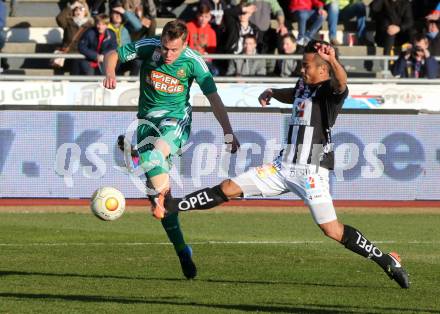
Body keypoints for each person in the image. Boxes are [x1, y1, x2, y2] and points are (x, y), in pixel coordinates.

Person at [162, 40, 410, 289]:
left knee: (332, 230)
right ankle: (174, 205)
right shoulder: (303, 85)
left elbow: (342, 83)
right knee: (228, 187)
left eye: (306, 66)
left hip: (311, 170)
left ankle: (386, 260)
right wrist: (272, 92)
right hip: (282, 166)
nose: (302, 70)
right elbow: (292, 95)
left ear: (323, 70)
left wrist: (334, 60)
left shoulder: (330, 92)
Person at [103, 20, 240, 279]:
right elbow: (113, 54)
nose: (168, 54)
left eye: (174, 50)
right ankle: (182, 251)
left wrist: (228, 130)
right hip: (145, 123)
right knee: (163, 207)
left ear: (185, 44)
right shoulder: (149, 47)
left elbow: (214, 98)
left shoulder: (193, 62)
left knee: (153, 156)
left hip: (175, 121)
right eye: (165, 48)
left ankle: (136, 157)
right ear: (161, 41)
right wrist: (110, 72)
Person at [56, 0, 94, 74]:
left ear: (86, 11)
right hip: (69, 54)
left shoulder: (91, 25)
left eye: (81, 9)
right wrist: (71, 6)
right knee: (76, 62)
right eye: (76, 9)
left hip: (85, 54)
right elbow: (59, 19)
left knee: (84, 64)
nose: (78, 11)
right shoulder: (68, 23)